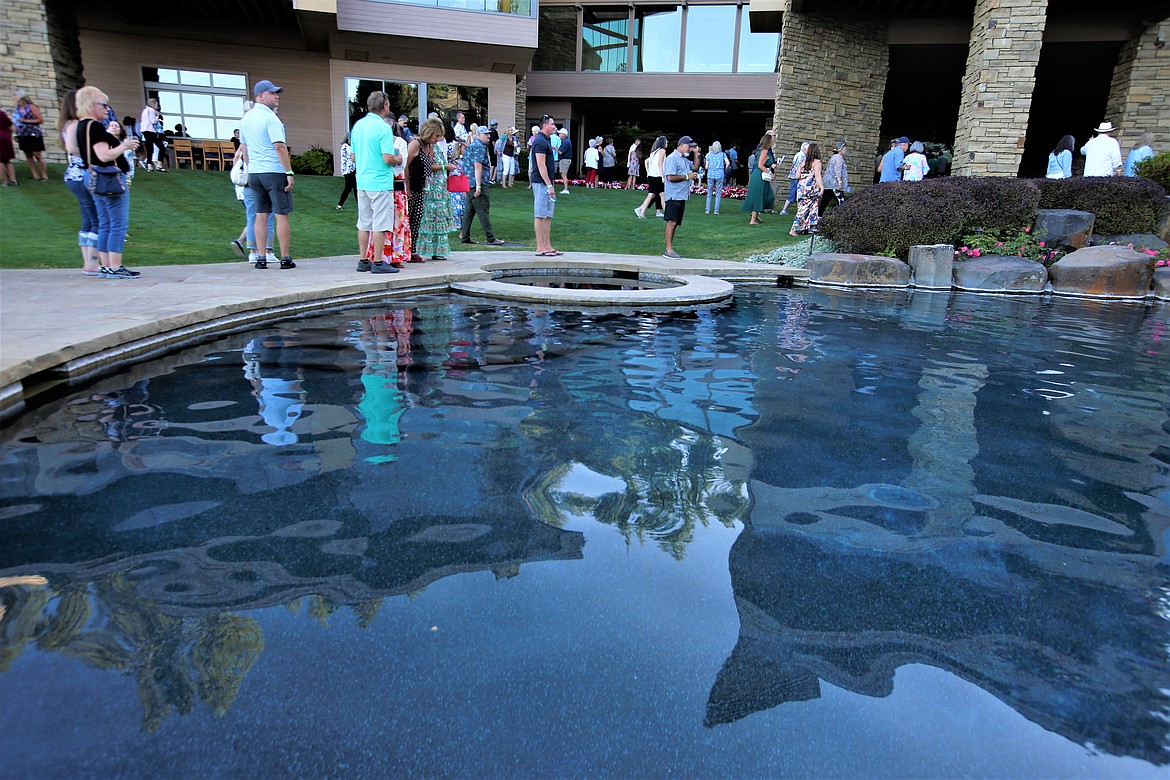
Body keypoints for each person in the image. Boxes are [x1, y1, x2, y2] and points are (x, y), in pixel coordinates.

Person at [75, 86, 140, 279]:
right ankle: (115, 266)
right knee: (117, 224)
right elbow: (104, 156)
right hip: (108, 178)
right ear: (91, 105)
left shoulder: (81, 126)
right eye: (103, 105)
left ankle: (106, 265)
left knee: (104, 223)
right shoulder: (94, 126)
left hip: (92, 175)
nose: (107, 109)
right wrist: (124, 145)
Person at [240, 79, 296, 270]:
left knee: (260, 214)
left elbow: (244, 150)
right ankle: (285, 257)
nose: (276, 96)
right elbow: (279, 147)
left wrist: (252, 166)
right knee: (281, 214)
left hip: (255, 173)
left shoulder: (246, 119)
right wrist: (288, 172)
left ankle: (260, 256)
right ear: (261, 96)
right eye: (272, 93)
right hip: (273, 171)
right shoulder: (271, 118)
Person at [351, 90, 401, 274]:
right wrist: (398, 158)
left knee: (364, 222)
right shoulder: (383, 128)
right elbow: (388, 158)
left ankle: (363, 260)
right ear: (385, 106)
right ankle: (378, 262)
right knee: (380, 222)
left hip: (362, 181)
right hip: (380, 182)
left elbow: (353, 156)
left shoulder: (358, 126)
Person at [58, 90, 99, 273]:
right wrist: (93, 157)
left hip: (74, 175)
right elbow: (72, 149)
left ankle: (88, 262)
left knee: (87, 219)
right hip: (82, 174)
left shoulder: (66, 125)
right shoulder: (75, 125)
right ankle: (92, 262)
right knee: (96, 218)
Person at [415, 117, 458, 261]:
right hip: (431, 187)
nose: (439, 139)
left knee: (439, 218)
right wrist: (445, 167)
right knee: (429, 218)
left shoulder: (434, 147)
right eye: (437, 135)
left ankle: (438, 249)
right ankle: (423, 249)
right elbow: (427, 167)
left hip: (439, 187)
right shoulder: (420, 146)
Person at [460, 125, 506, 246]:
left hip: (469, 183)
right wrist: (479, 185)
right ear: (479, 135)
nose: (488, 136)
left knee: (469, 212)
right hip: (477, 183)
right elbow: (478, 165)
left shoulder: (471, 146)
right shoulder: (479, 146)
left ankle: (465, 237)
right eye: (486, 134)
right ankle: (490, 238)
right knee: (483, 210)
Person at [662, 135, 699, 259]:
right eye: (689, 146)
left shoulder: (683, 159)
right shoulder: (672, 158)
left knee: (675, 223)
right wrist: (687, 177)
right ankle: (668, 250)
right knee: (671, 222)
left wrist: (696, 153)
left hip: (681, 196)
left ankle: (669, 248)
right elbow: (670, 177)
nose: (690, 149)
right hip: (673, 195)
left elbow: (695, 167)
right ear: (682, 145)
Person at [530, 114, 560, 257]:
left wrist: (551, 184)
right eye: (552, 124)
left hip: (548, 182)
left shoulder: (546, 140)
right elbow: (541, 165)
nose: (554, 126)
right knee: (540, 214)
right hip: (541, 183)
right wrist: (549, 185)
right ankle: (539, 248)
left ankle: (547, 246)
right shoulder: (540, 141)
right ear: (545, 125)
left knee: (547, 215)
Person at [741, 132, 777, 225]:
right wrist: (769, 172)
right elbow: (760, 165)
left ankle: (756, 216)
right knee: (759, 196)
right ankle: (752, 220)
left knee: (767, 195)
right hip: (759, 175)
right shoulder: (764, 151)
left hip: (761, 175)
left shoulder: (764, 150)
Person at [12, 89, 48, 181]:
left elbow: (40, 119)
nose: (13, 97)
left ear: (21, 97)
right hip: (22, 133)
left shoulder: (31, 107)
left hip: (33, 132)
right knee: (28, 154)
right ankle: (35, 175)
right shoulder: (17, 108)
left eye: (15, 96)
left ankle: (44, 175)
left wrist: (26, 121)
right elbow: (15, 121)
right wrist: (14, 133)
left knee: (37, 154)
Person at [790, 142, 823, 236]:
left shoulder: (803, 162)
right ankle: (794, 229)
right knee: (808, 208)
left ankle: (807, 228)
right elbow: (817, 176)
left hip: (801, 187)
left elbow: (797, 176)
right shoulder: (817, 162)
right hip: (811, 187)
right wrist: (822, 187)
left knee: (805, 207)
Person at [635, 134, 667, 219]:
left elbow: (647, 161)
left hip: (651, 176)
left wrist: (648, 172)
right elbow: (660, 164)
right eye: (666, 142)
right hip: (657, 176)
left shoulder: (654, 152)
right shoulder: (662, 151)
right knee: (662, 195)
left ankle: (641, 212)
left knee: (652, 195)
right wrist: (663, 176)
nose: (667, 143)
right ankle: (667, 214)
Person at [820, 141, 849, 216]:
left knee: (825, 201)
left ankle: (818, 215)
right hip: (834, 185)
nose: (846, 149)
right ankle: (843, 217)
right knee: (842, 202)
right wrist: (839, 182)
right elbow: (837, 170)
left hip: (828, 184)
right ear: (840, 149)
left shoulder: (834, 157)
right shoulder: (838, 158)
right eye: (845, 148)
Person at [139, 98, 167, 172]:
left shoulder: (145, 110)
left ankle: (149, 165)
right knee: (161, 147)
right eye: (156, 104)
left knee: (150, 148)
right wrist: (157, 116)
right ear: (154, 104)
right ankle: (159, 164)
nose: (157, 106)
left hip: (144, 130)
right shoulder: (152, 110)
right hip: (150, 130)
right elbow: (153, 121)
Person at [780, 142, 807, 215]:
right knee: (795, 193)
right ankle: (784, 210)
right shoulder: (802, 156)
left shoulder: (798, 155)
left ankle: (786, 210)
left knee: (795, 192)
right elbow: (799, 167)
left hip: (794, 176)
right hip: (796, 177)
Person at [704, 140, 727, 215]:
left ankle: (707, 210)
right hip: (720, 174)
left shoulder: (709, 155)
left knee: (709, 193)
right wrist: (724, 168)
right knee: (718, 193)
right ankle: (716, 211)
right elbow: (728, 163)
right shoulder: (723, 154)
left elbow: (706, 167)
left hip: (710, 174)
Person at [336, 131, 356, 210]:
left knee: (348, 188)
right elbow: (352, 155)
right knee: (355, 187)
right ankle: (360, 205)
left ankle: (340, 204)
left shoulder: (352, 146)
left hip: (353, 169)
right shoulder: (345, 146)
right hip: (348, 170)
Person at [0, 108, 15, 186]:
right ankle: (13, 180)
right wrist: (14, 135)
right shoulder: (2, 113)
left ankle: (4, 181)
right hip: (6, 137)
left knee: (0, 161)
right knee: (7, 160)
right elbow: (10, 124)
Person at [557, 128, 574, 194]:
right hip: (565, 160)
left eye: (560, 133)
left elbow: (560, 152)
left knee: (563, 174)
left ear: (564, 135)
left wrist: (555, 149)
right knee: (564, 174)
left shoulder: (566, 142)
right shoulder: (566, 141)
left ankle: (566, 189)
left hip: (564, 160)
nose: (559, 134)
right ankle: (565, 189)